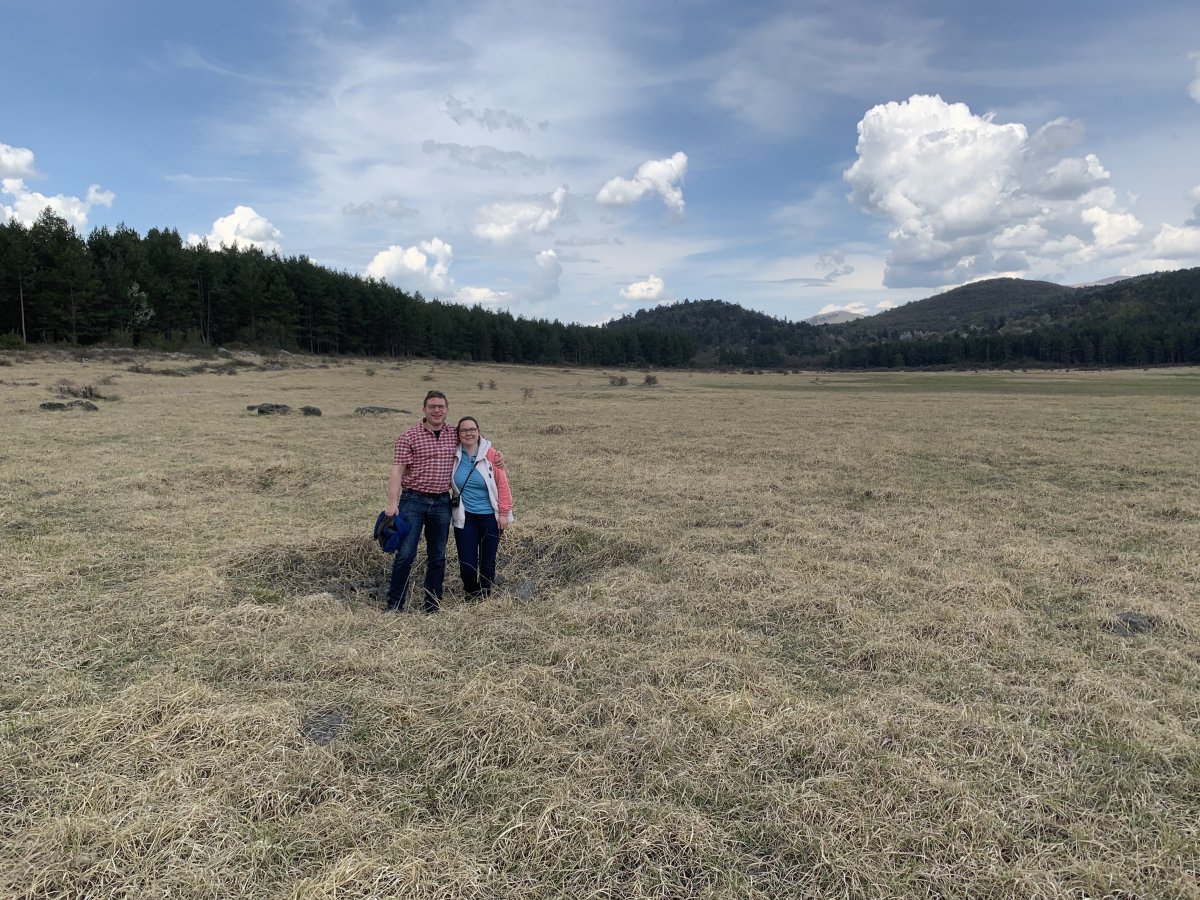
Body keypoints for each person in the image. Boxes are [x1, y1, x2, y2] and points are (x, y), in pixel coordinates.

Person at [451, 416, 512, 601]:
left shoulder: (492, 454)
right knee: (467, 563)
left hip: (489, 518)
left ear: (478, 432)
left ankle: (485, 596)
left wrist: (503, 513)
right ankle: (471, 594)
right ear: (458, 434)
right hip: (465, 517)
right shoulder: (452, 455)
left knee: (487, 561)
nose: (468, 433)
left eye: (472, 429)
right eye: (464, 430)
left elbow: (503, 486)